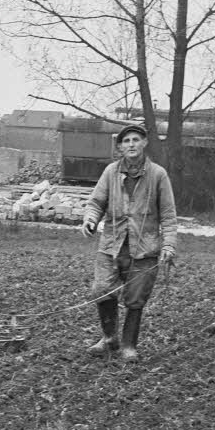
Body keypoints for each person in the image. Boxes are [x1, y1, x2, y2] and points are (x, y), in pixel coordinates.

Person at [79, 124, 177, 362]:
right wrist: (90, 220)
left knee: (135, 298)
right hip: (111, 244)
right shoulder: (111, 172)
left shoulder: (158, 175)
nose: (131, 144)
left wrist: (168, 245)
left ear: (144, 143)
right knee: (102, 290)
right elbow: (96, 203)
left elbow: (168, 215)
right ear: (120, 147)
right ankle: (109, 338)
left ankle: (129, 345)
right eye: (126, 141)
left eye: (135, 139)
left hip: (144, 249)